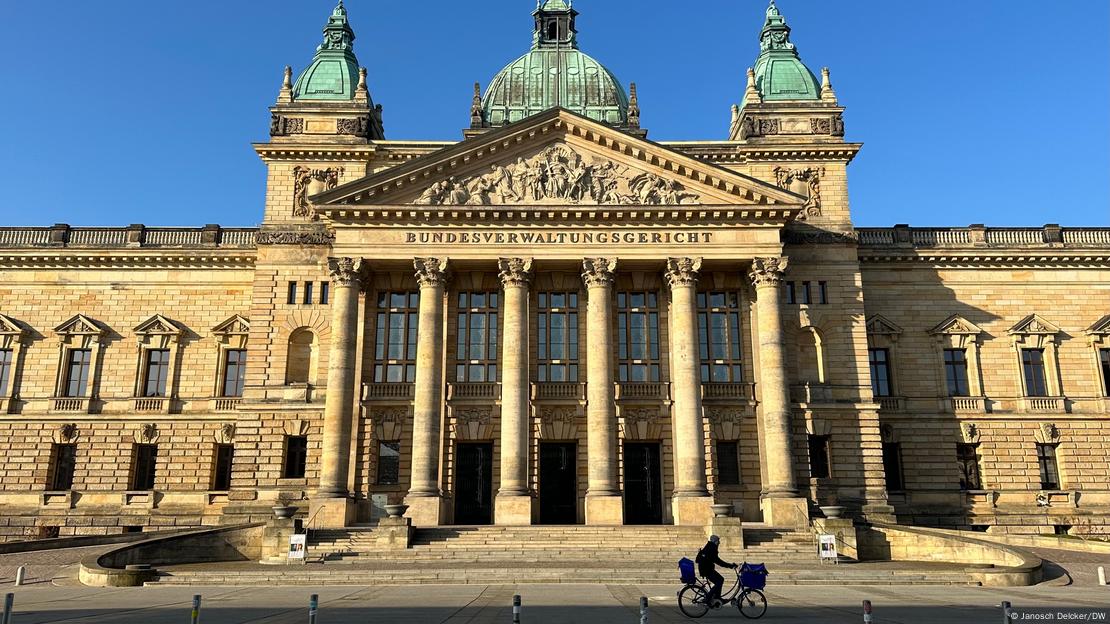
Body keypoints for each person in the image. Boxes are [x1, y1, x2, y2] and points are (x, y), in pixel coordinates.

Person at [696, 535, 736, 608]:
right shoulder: (712, 548)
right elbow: (718, 562)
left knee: (720, 580)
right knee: (719, 581)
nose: (719, 542)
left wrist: (729, 565)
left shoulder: (710, 546)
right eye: (718, 541)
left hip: (706, 569)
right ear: (715, 541)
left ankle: (717, 597)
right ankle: (707, 599)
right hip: (706, 570)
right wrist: (730, 566)